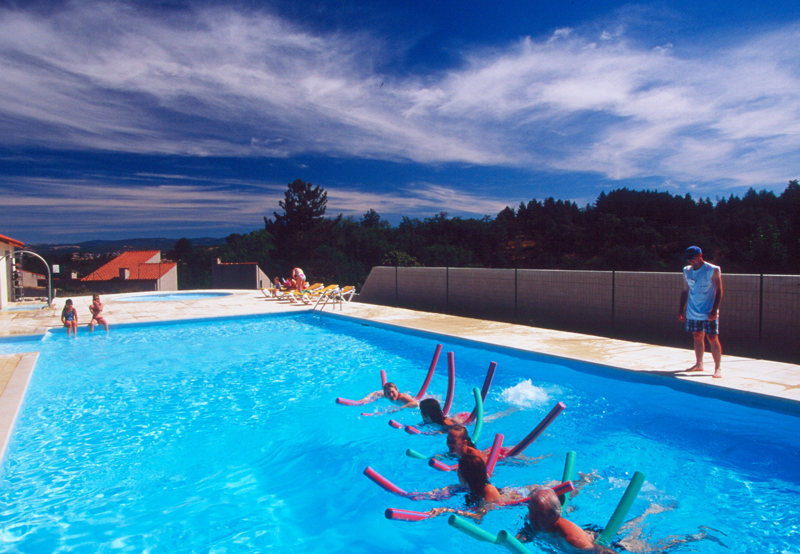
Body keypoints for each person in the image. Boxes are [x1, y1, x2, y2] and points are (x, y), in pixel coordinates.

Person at [517, 486, 617, 553]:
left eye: (539, 514)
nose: (532, 518)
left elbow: (601, 551)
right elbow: (526, 531)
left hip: (597, 537)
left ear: (554, 517)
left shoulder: (573, 540)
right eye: (530, 510)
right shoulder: (534, 518)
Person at [678, 246, 723, 378]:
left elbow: (719, 290)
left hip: (708, 310)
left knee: (712, 337)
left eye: (692, 258)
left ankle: (718, 368)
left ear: (700, 255)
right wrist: (681, 309)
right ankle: (699, 364)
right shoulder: (687, 271)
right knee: (697, 336)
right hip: (693, 310)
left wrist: (714, 310)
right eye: (688, 259)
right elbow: (685, 291)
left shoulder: (712, 270)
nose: (690, 261)